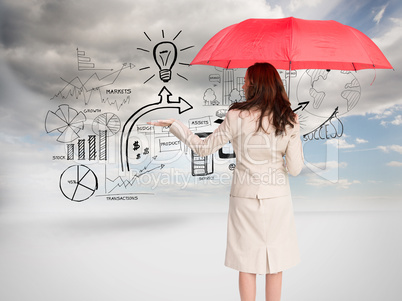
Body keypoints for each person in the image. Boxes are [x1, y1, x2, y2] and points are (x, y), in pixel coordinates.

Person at [148, 62, 304, 301]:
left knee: (246, 262)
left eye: (246, 80)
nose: (243, 84)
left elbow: (203, 148)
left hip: (244, 198)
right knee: (276, 263)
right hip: (277, 198)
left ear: (255, 85)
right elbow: (294, 169)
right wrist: (288, 138)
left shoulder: (235, 116)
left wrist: (176, 126)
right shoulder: (289, 119)